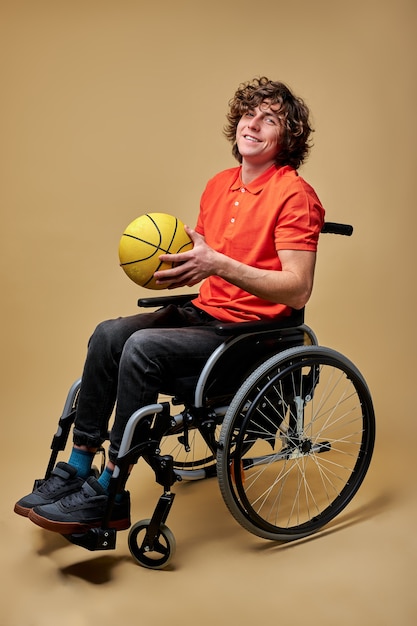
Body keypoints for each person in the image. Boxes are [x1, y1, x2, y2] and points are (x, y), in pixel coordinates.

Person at [14, 76, 325, 534]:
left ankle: (110, 490)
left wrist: (216, 262)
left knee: (141, 348)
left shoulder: (295, 195)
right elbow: (206, 266)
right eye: (249, 113)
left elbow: (297, 289)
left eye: (271, 119)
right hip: (205, 316)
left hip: (251, 337)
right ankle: (78, 466)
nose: (254, 124)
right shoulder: (218, 185)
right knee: (108, 334)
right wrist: (179, 267)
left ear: (288, 136)